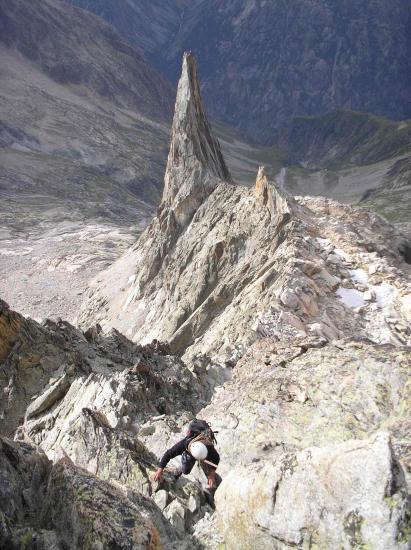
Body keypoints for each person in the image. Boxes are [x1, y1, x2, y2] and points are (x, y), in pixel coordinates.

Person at [151, 419, 222, 491]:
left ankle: (210, 488)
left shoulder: (209, 447)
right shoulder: (185, 444)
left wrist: (211, 474)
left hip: (203, 451)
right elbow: (168, 454)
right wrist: (159, 470)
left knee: (209, 469)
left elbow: (216, 458)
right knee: (186, 470)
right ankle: (181, 468)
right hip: (190, 450)